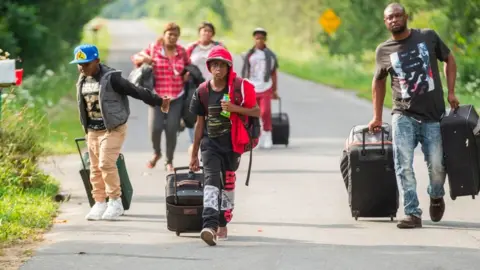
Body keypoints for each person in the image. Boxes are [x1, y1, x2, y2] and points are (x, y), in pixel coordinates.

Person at [368, 3, 460, 229]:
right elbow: (378, 82)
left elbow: (449, 59)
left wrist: (451, 92)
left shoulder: (427, 37)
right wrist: (377, 116)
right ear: (385, 22)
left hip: (432, 115)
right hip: (403, 114)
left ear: (406, 17)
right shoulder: (384, 50)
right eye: (389, 17)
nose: (394, 20)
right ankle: (412, 213)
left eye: (398, 15)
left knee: (437, 166)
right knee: (403, 165)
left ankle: (436, 196)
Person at [71, 44, 170, 220]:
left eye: (86, 63)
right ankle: (99, 202)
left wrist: (159, 101)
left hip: (113, 128)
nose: (82, 67)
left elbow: (135, 91)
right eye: (79, 64)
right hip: (92, 130)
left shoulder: (111, 78)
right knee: (93, 168)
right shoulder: (83, 79)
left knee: (105, 164)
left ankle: (115, 202)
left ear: (97, 61)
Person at [189, 46, 260, 246]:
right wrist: (194, 154)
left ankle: (223, 221)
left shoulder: (238, 88)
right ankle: (209, 225)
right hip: (209, 145)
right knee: (211, 182)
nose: (218, 69)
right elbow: (199, 124)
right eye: (214, 65)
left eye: (222, 65)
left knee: (227, 183)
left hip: (232, 144)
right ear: (209, 67)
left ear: (229, 68)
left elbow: (256, 112)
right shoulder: (202, 91)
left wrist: (234, 109)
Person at [132, 22, 191, 172]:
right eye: (170, 34)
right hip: (157, 96)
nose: (172, 38)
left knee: (172, 129)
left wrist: (187, 74)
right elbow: (136, 58)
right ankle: (156, 153)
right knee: (156, 128)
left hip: (176, 96)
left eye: (175, 35)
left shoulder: (181, 51)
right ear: (164, 35)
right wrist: (145, 58)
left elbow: (188, 66)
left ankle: (169, 160)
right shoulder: (154, 49)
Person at [185, 22, 226, 153]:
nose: (206, 33)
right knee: (194, 115)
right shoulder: (191, 48)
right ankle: (195, 144)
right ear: (199, 33)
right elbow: (184, 64)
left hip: (215, 86)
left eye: (209, 31)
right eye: (204, 31)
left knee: (217, 115)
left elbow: (227, 64)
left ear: (212, 34)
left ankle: (216, 143)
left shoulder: (218, 47)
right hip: (195, 87)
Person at [241, 27, 279, 149]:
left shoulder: (270, 55)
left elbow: (273, 72)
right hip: (252, 86)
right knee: (252, 114)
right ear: (254, 39)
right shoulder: (249, 54)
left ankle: (267, 134)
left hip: (265, 86)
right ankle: (255, 137)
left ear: (265, 39)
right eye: (257, 38)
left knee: (265, 111)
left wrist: (274, 89)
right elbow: (245, 71)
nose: (259, 40)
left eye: (261, 38)